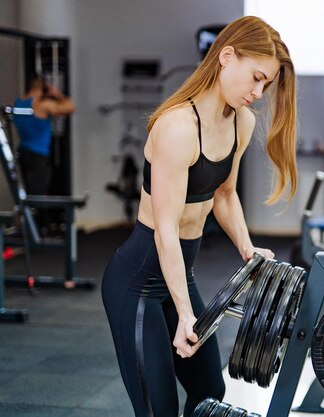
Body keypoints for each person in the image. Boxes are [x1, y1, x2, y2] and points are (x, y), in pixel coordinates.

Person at [101, 15, 297, 417]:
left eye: (266, 84)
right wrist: (186, 313)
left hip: (179, 275)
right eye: (256, 78)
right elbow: (166, 229)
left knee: (209, 387)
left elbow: (224, 195)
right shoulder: (177, 128)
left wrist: (246, 248)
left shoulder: (240, 122)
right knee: (159, 408)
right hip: (137, 283)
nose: (259, 93)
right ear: (227, 57)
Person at [12, 77, 75, 196]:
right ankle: (35, 214)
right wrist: (58, 94)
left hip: (22, 152)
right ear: (43, 89)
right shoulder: (42, 105)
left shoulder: (18, 102)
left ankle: (28, 213)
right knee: (38, 194)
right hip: (38, 155)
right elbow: (71, 107)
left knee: (25, 192)